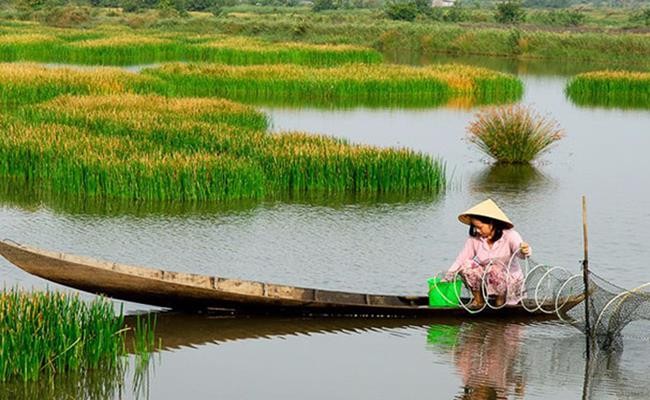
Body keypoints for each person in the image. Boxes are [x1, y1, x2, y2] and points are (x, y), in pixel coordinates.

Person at [444, 199, 531, 308]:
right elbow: (461, 259)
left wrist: (524, 250)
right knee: (467, 266)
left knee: (494, 267)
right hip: (488, 282)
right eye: (474, 227)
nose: (477, 230)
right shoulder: (474, 239)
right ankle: (479, 301)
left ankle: (500, 303)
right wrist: (447, 276)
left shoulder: (510, 235)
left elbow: (521, 253)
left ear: (492, 223)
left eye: (480, 227)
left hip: (509, 284)